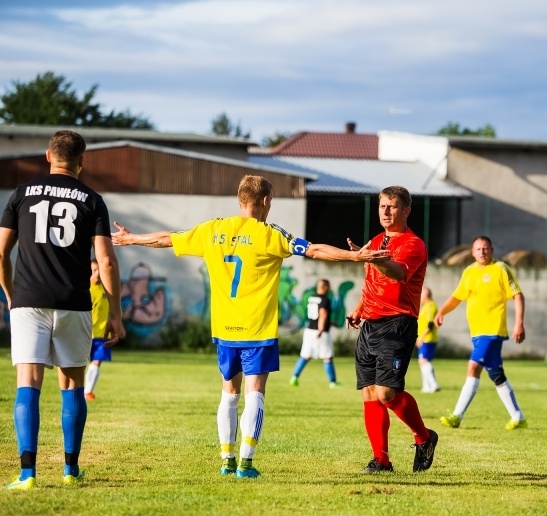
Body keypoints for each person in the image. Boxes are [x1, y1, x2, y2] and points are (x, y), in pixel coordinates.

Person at [112, 174, 389, 479]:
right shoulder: (269, 234)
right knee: (255, 391)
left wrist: (131, 239)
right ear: (265, 201)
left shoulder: (213, 229)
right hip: (257, 329)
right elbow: (313, 250)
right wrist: (355, 255)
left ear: (239, 198)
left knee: (229, 393)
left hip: (224, 328)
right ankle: (246, 462)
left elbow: (168, 238)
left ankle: (226, 459)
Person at [0, 130, 125, 490]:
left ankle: (27, 473)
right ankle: (70, 470)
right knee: (72, 383)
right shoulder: (92, 199)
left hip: (29, 300)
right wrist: (115, 313)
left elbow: (0, 253)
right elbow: (107, 261)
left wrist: (10, 295)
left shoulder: (22, 193)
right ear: (82, 161)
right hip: (74, 302)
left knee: (28, 381)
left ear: (47, 156)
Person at [345, 185, 438, 474]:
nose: (385, 211)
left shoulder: (413, 244)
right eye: (382, 206)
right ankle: (381, 460)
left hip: (397, 324)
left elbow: (397, 273)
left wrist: (372, 257)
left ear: (406, 210)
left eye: (392, 206)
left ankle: (424, 437)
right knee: (370, 393)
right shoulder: (375, 241)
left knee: (387, 393)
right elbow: (371, 283)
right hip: (370, 325)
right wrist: (359, 308)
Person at [435, 236, 526, 430]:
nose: (482, 252)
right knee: (496, 374)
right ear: (473, 252)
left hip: (493, 330)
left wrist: (519, 323)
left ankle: (457, 416)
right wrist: (441, 312)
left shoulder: (500, 268)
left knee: (473, 367)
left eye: (485, 248)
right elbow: (456, 296)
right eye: (478, 249)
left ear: (491, 250)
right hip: (477, 332)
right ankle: (518, 417)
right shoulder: (469, 272)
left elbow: (518, 295)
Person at [289, 279, 340, 388]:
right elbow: (322, 314)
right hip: (321, 332)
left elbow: (315, 315)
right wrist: (321, 329)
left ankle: (294, 378)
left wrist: (330, 323)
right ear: (325, 286)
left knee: (305, 355)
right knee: (327, 357)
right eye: (328, 286)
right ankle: (332, 382)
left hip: (309, 330)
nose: (329, 288)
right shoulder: (325, 299)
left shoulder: (312, 298)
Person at [84, 259, 113, 401]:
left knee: (97, 361)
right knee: (79, 364)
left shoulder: (106, 289)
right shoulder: (84, 290)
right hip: (84, 333)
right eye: (93, 270)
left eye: (99, 270)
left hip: (101, 334)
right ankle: (77, 390)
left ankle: (88, 391)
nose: (96, 274)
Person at [416, 286, 440, 393]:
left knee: (423, 360)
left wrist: (421, 337)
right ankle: (426, 386)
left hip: (428, 338)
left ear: (426, 295)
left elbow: (430, 324)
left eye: (421, 294)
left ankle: (434, 384)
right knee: (423, 361)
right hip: (424, 338)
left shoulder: (431, 305)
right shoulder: (425, 306)